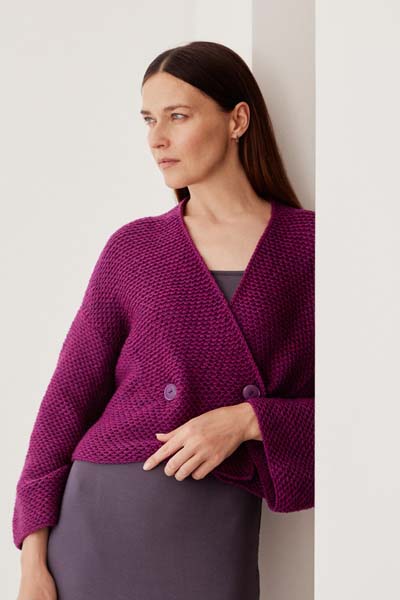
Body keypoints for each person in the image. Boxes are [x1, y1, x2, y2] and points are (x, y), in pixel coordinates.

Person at [14, 41, 314, 600]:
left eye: (178, 116)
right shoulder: (135, 248)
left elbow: (365, 411)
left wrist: (249, 420)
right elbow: (67, 400)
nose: (157, 139)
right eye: (149, 120)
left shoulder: (311, 246)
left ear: (237, 120)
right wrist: (33, 559)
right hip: (95, 522)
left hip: (213, 530)